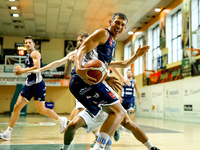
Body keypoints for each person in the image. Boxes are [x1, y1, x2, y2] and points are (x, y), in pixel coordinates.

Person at [69, 12, 159, 150]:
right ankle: (99, 145)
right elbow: (81, 50)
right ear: (110, 22)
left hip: (90, 81)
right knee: (120, 113)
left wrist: (136, 56)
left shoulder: (112, 43)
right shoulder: (103, 34)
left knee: (124, 119)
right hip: (85, 79)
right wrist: (79, 68)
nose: (119, 26)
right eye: (117, 22)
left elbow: (122, 64)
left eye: (123, 25)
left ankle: (151, 147)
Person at [0, 36, 67, 141]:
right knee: (17, 107)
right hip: (28, 85)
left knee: (41, 110)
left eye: (29, 42)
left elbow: (37, 67)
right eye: (26, 43)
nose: (27, 44)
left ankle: (61, 119)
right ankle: (8, 133)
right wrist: (21, 72)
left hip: (38, 85)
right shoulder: (27, 55)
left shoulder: (35, 53)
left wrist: (22, 71)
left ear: (33, 44)